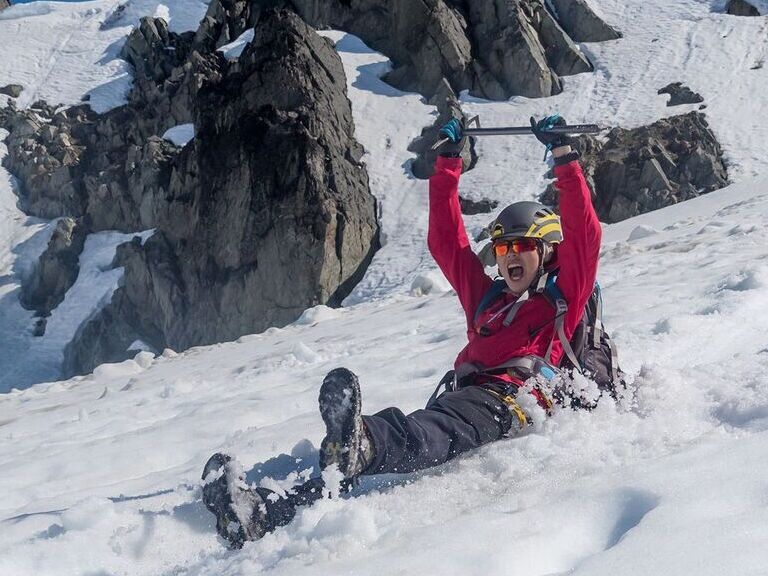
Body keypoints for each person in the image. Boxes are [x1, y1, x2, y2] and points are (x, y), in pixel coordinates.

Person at [202, 114, 602, 546]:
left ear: (546, 251)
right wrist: (447, 163)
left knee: (430, 429)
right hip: (468, 394)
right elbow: (447, 243)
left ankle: (365, 441)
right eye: (504, 247)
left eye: (522, 246)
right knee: (376, 449)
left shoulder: (562, 300)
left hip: (512, 400)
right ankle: (262, 511)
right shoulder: (489, 300)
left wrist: (565, 157)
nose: (509, 256)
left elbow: (586, 237)